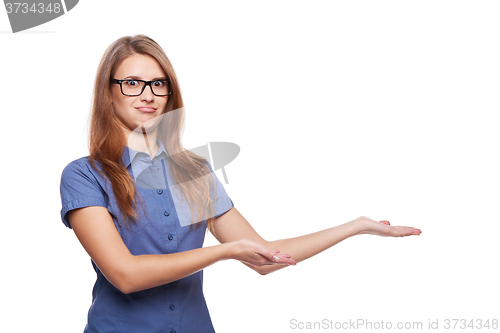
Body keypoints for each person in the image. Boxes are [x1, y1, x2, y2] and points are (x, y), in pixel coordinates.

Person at [59, 34, 422, 333]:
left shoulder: (192, 171)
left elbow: (264, 258)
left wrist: (355, 227)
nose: (148, 94)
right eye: (132, 83)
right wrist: (225, 251)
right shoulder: (84, 175)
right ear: (109, 92)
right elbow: (126, 275)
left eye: (158, 83)